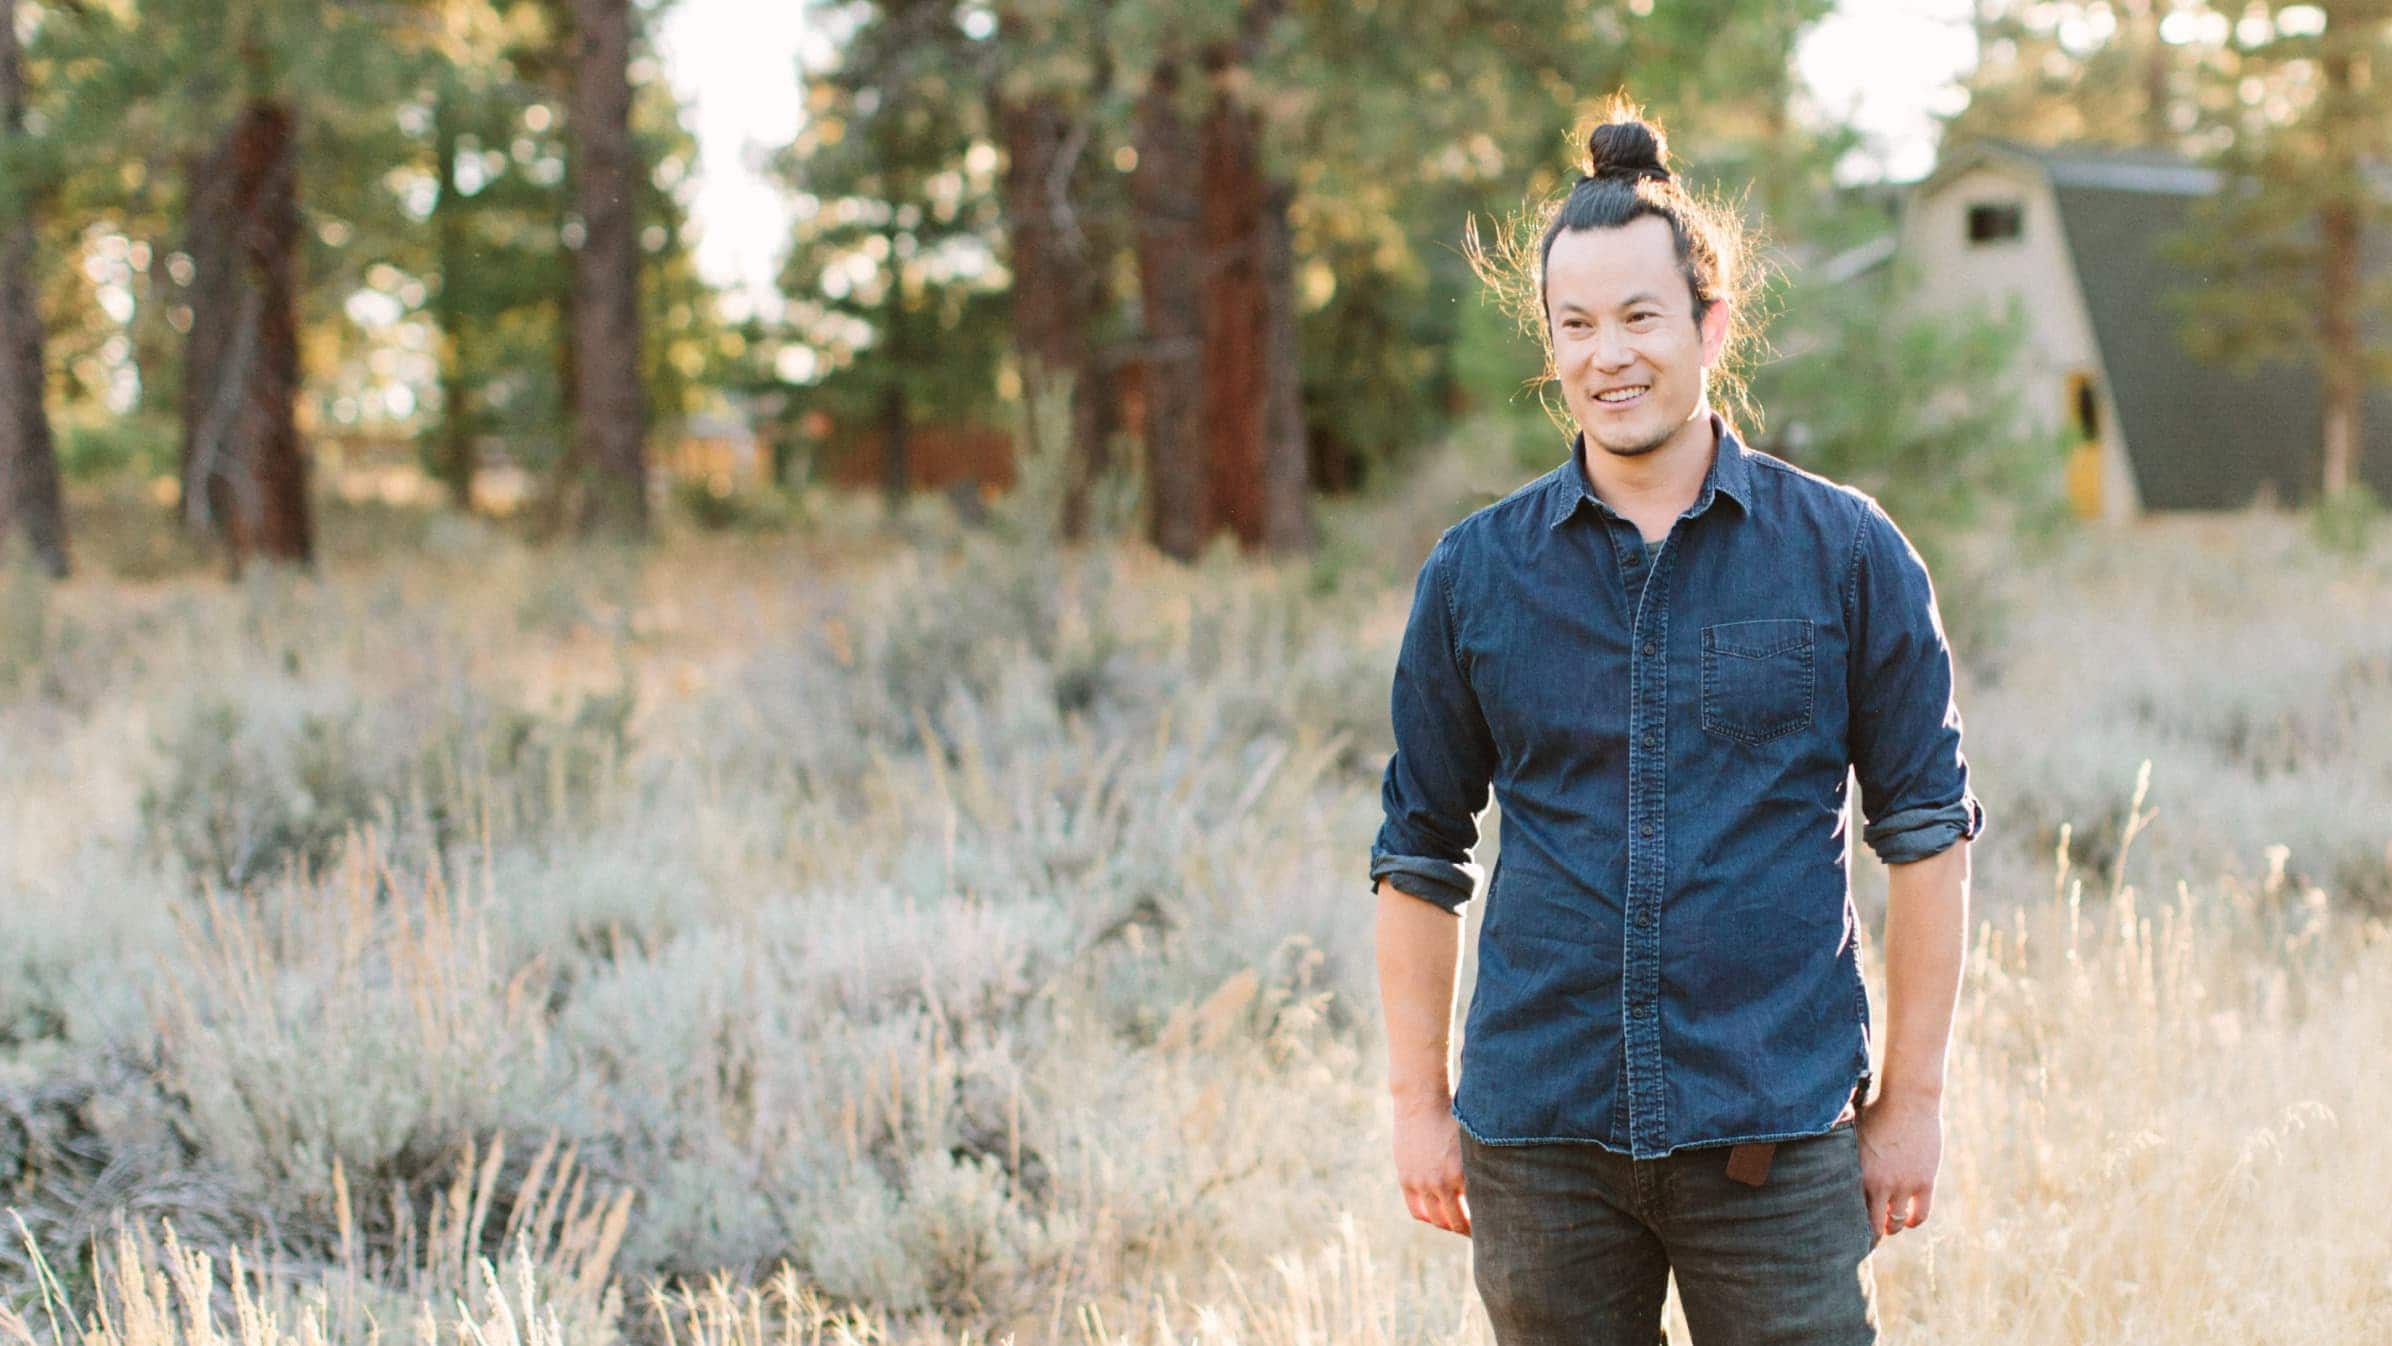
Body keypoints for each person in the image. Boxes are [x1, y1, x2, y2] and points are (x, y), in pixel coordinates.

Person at [1368, 101, 1983, 1346]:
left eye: (1640, 316)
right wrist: (1417, 1103)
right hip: (1539, 1140)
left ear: (1710, 323)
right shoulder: (1475, 575)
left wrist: (1910, 1099)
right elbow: (1418, 854)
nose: (1610, 355)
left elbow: (1924, 834)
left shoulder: (1846, 554)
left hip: (1775, 1131)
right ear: (1549, 346)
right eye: (1575, 326)